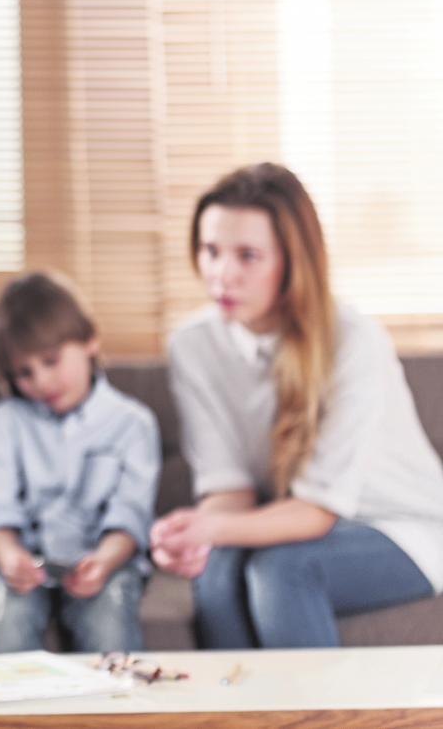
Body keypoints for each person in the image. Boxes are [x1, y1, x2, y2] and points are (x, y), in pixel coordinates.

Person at [151, 162, 443, 649]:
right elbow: (230, 488)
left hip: (403, 528)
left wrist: (212, 526)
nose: (222, 274)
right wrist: (193, 534)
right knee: (217, 571)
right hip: (287, 521)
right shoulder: (193, 345)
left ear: (292, 261)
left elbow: (316, 513)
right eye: (210, 250)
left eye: (248, 256)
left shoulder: (354, 341)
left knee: (284, 569)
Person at [0, 272, 160, 654]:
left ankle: (112, 715)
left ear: (90, 339)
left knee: (109, 623)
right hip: (22, 565)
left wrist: (104, 561)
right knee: (7, 616)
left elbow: (131, 515)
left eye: (51, 361)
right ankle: (5, 714)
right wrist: (9, 556)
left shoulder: (132, 424)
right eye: (24, 372)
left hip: (103, 561)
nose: (40, 381)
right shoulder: (3, 422)